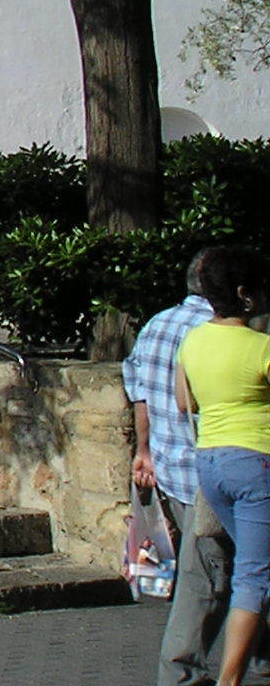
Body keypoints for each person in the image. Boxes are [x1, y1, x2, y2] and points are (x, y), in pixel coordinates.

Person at [177, 244, 270, 686]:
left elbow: (184, 400)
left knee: (258, 564)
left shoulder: (192, 339)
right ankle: (229, 680)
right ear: (244, 295)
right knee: (254, 576)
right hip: (258, 463)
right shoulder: (261, 347)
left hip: (210, 464)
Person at [128, 255, 221, 686]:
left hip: (173, 470)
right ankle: (180, 673)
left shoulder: (158, 324)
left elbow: (140, 393)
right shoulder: (222, 332)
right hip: (210, 472)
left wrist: (143, 450)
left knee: (214, 569)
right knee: (206, 578)